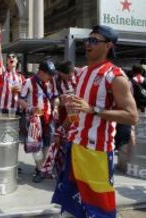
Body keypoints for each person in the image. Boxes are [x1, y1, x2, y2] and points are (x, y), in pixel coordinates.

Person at [52, 25, 138, 218]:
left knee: (99, 209)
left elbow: (132, 116)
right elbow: (78, 110)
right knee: (71, 204)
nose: (87, 45)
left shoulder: (115, 77)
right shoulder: (82, 73)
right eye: (87, 41)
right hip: (75, 146)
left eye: (93, 41)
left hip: (96, 152)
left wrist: (94, 110)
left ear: (108, 46)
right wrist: (62, 129)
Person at [19, 60, 58, 183]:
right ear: (41, 72)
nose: (51, 76)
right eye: (49, 74)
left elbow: (55, 97)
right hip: (34, 118)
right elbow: (20, 99)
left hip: (48, 117)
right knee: (35, 145)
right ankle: (40, 169)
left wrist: (56, 107)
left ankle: (43, 168)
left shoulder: (52, 82)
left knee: (48, 143)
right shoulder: (29, 82)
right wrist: (30, 108)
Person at [0, 21, 25, 114]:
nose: (11, 58)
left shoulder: (22, 78)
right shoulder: (4, 73)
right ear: (7, 61)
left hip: (16, 111)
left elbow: (25, 94)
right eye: (9, 57)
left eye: (13, 57)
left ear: (17, 60)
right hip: (2, 110)